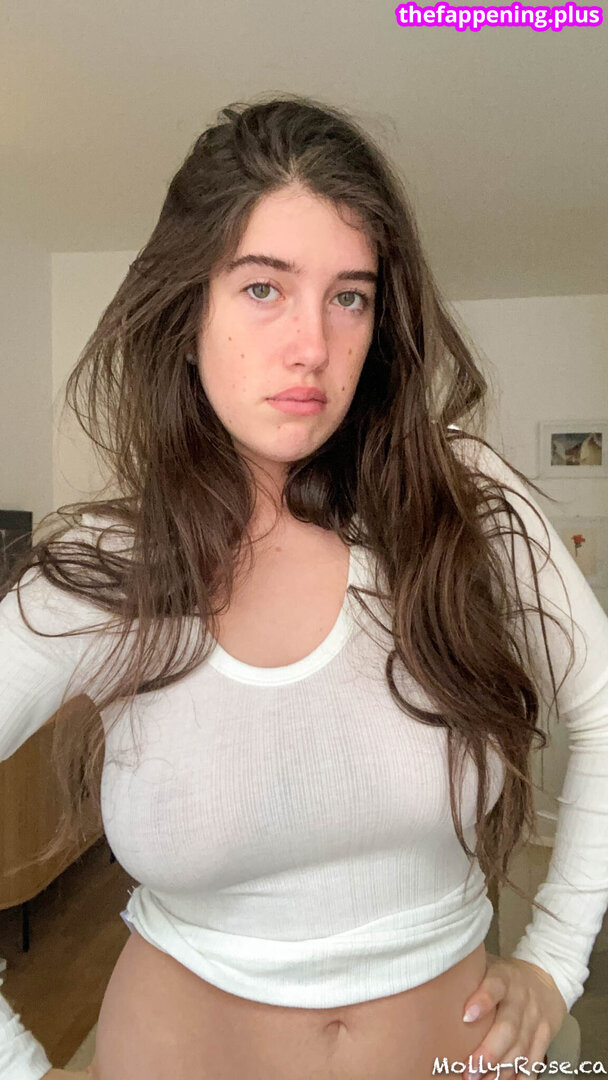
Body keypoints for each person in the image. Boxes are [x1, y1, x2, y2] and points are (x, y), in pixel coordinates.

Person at [1, 94, 607, 1080]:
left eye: (349, 297)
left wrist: (555, 956)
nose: (312, 346)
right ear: (186, 311)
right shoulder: (114, 565)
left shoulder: (457, 501)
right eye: (262, 288)